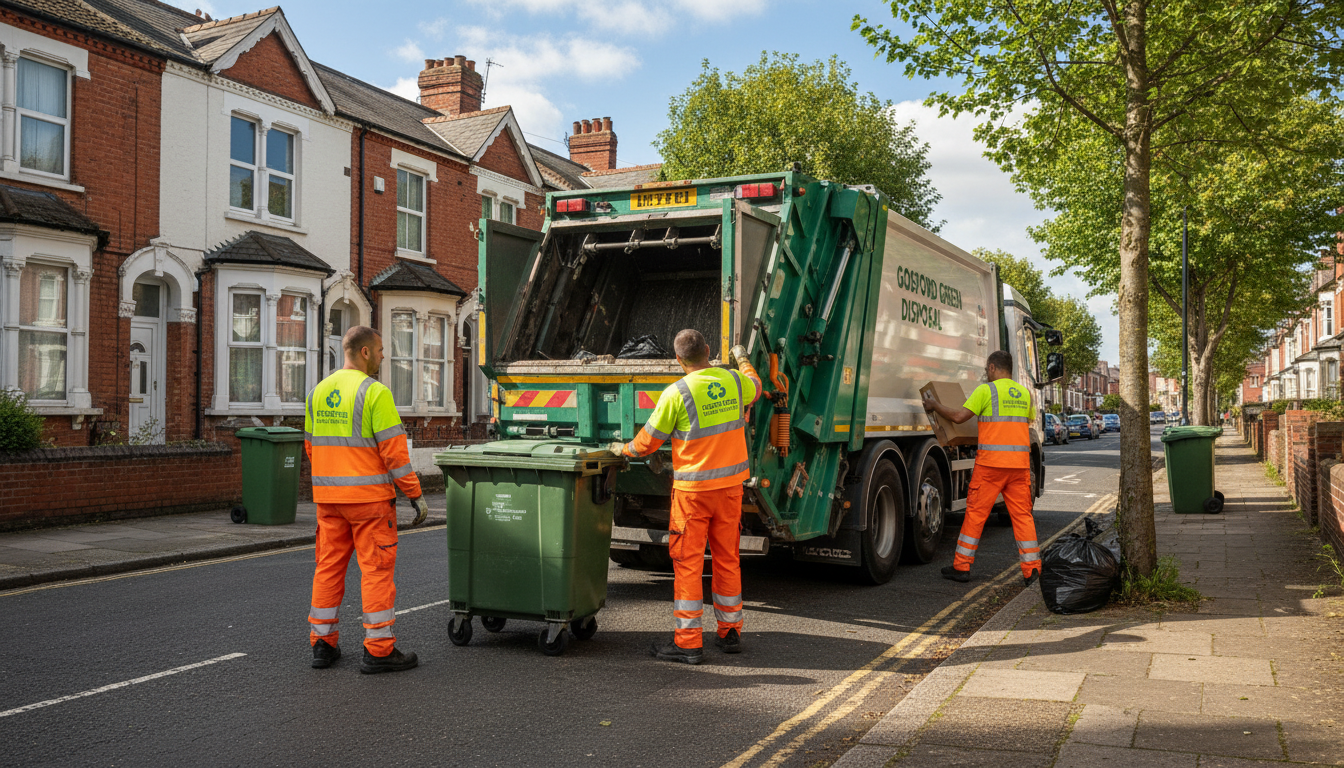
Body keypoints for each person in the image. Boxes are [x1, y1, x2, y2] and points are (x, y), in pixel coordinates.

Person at [611, 330, 761, 665]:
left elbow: (646, 443)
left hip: (693, 495)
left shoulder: (676, 394)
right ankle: (731, 632)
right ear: (708, 351)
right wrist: (743, 358)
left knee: (689, 563)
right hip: (730, 491)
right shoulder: (736, 382)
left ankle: (689, 642)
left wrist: (622, 450)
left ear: (679, 361)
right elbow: (757, 384)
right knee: (727, 558)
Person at [304, 325, 429, 674]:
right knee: (375, 571)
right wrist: (414, 494)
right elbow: (395, 454)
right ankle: (378, 650)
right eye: (380, 351)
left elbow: (312, 447)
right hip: (370, 502)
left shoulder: (318, 391)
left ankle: (322, 645)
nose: (383, 357)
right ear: (364, 352)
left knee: (328, 568)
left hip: (329, 500)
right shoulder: (375, 393)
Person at [922, 350, 1041, 585]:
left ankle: (962, 567)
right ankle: (1032, 571)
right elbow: (1024, 423)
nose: (987, 373)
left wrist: (934, 405)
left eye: (988, 369)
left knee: (976, 515)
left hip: (991, 466)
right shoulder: (1025, 395)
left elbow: (958, 417)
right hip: (1019, 467)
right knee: (1023, 517)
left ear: (993, 368)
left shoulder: (986, 391)